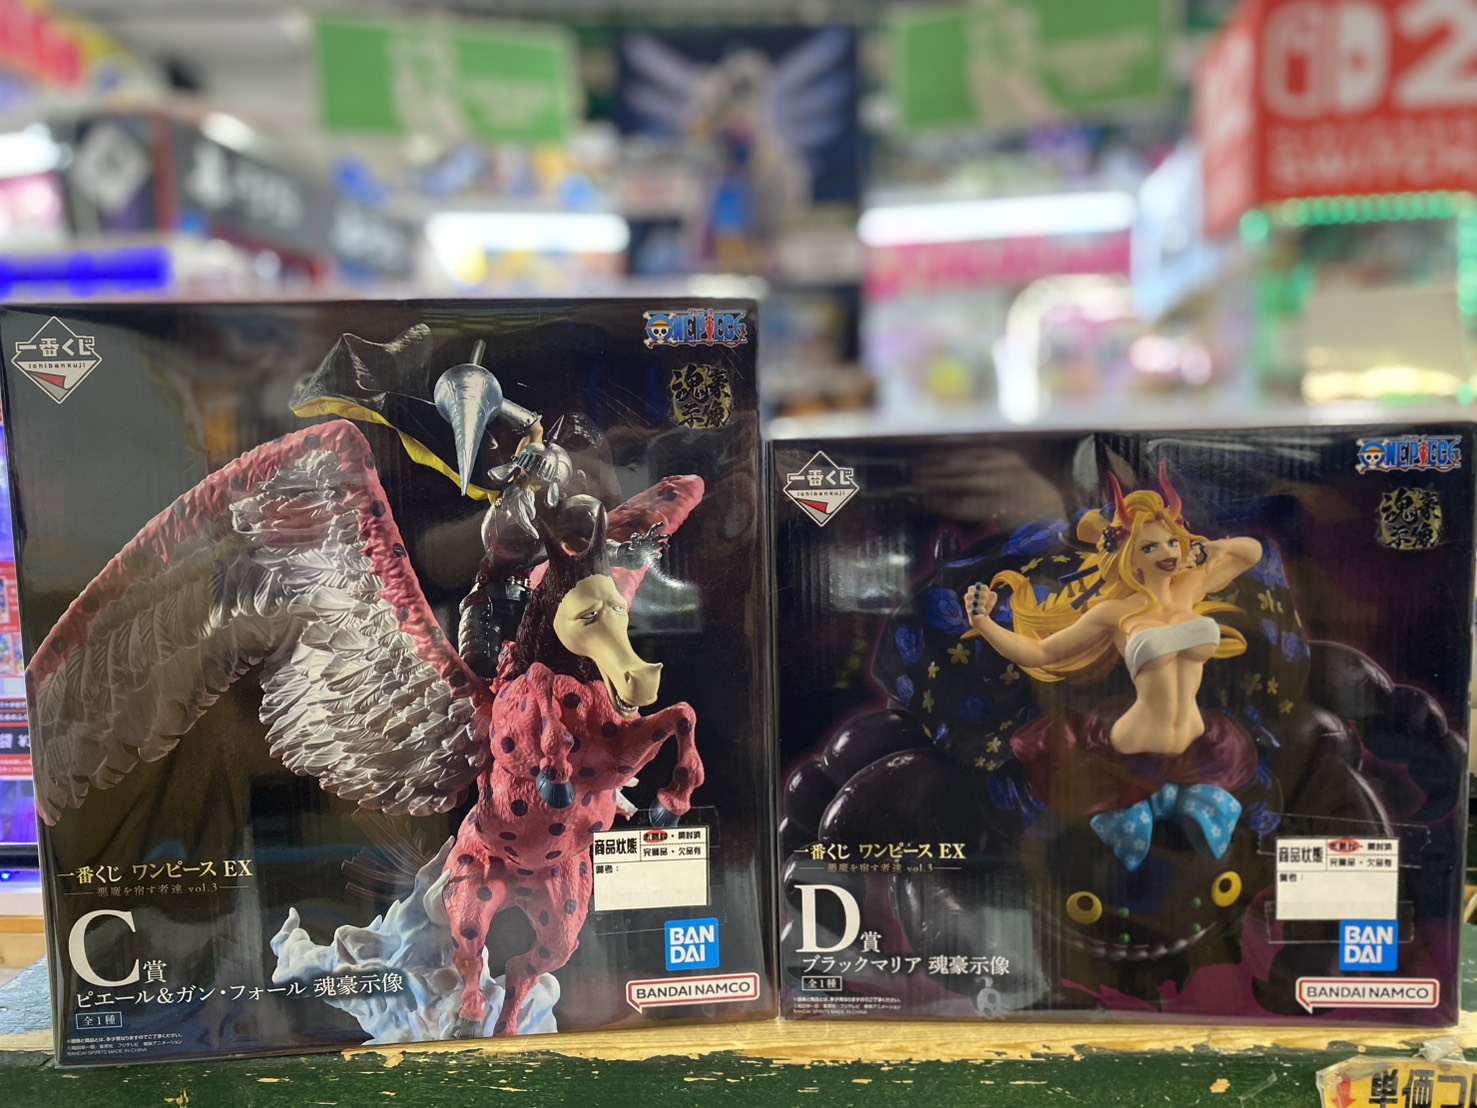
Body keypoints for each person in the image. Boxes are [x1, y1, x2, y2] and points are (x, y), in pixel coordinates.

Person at [961, 465, 1264, 871]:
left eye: (1172, 542)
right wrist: (983, 623)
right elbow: (1040, 653)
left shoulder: (1192, 586)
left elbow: (1250, 551)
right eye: (1150, 547)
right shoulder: (1115, 612)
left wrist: (1203, 548)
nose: (1168, 554)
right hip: (1132, 747)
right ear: (1128, 556)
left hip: (1195, 746)